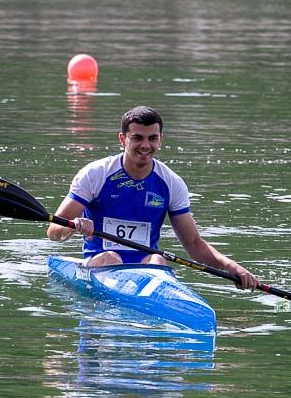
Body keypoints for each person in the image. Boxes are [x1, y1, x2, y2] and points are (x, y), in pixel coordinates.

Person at [46, 105, 259, 290]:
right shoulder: (96, 175)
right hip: (101, 262)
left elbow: (193, 243)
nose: (145, 145)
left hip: (147, 267)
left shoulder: (171, 183)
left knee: (158, 258)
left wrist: (230, 266)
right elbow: (54, 231)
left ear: (160, 140)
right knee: (113, 257)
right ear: (122, 139)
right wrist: (73, 225)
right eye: (137, 138)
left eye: (152, 138)